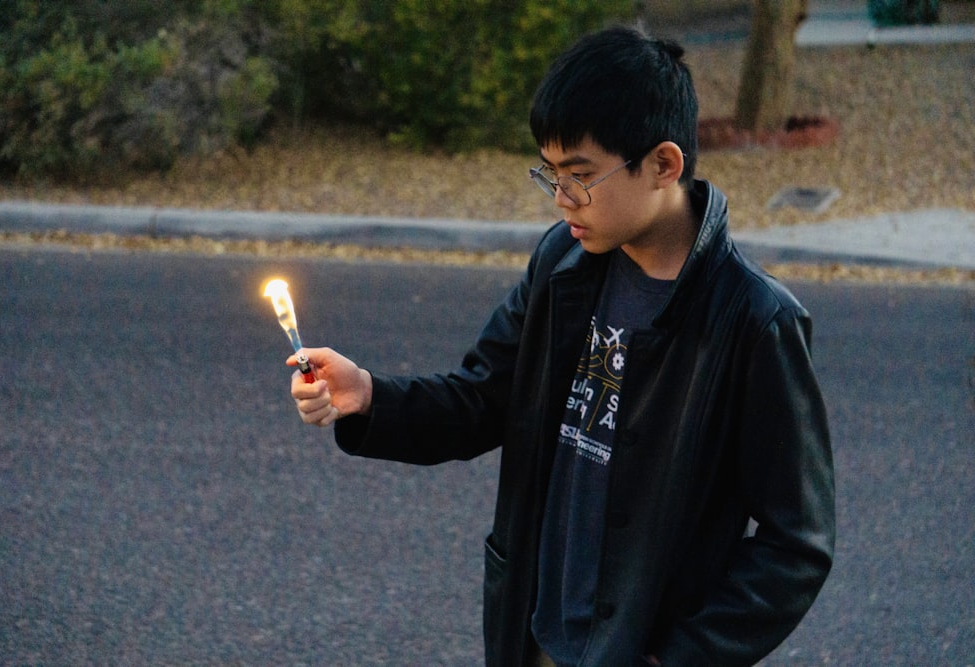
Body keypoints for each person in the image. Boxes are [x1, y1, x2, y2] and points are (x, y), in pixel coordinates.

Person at [287, 26, 835, 667]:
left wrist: (676, 659)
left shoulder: (753, 321)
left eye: (580, 176)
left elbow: (796, 545)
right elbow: (483, 398)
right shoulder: (562, 263)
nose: (561, 198)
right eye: (549, 174)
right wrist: (370, 395)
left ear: (663, 164)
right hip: (535, 633)